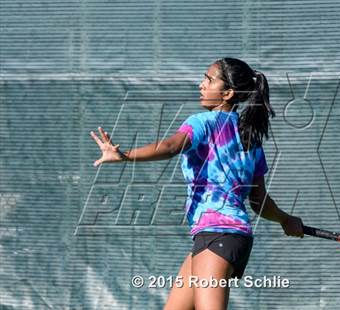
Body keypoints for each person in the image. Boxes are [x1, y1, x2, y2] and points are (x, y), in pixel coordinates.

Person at [90, 57, 304, 310]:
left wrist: (125, 155)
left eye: (209, 79)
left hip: (218, 235)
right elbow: (259, 202)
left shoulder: (202, 122)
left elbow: (171, 147)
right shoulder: (251, 139)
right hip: (222, 236)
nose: (201, 84)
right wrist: (285, 219)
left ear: (227, 93)